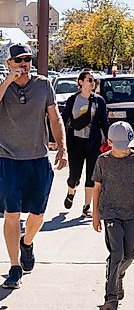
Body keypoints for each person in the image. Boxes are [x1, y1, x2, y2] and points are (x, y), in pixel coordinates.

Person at [0, 43, 67, 290]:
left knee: (37, 215)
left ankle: (26, 243)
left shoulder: (43, 85)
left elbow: (54, 116)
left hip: (38, 159)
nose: (24, 64)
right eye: (18, 60)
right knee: (11, 215)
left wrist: (62, 147)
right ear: (9, 63)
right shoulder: (2, 86)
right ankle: (14, 267)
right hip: (6, 160)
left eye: (27, 59)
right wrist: (7, 81)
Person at [91, 122, 134, 310]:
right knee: (117, 254)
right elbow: (97, 188)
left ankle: (118, 275)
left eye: (127, 146)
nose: (125, 150)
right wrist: (95, 215)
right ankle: (111, 298)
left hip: (131, 213)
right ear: (109, 142)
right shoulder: (103, 161)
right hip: (110, 213)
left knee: (129, 255)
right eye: (121, 146)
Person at [61, 69, 109, 218]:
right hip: (75, 142)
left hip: (93, 143)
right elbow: (63, 119)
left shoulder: (99, 101)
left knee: (91, 177)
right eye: (89, 80)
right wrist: (57, 140)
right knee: (74, 176)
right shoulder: (72, 100)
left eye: (94, 80)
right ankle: (71, 191)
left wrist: (109, 138)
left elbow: (104, 122)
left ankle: (87, 207)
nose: (92, 82)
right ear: (81, 82)